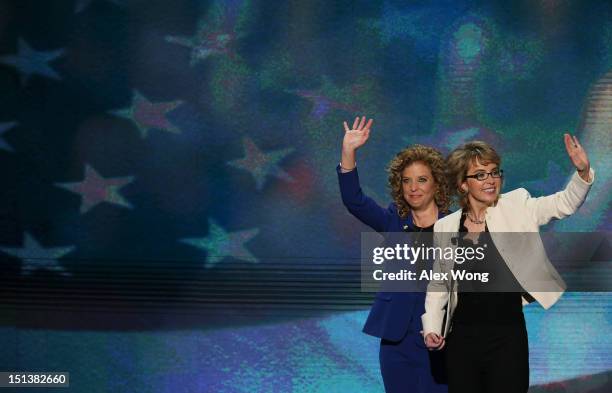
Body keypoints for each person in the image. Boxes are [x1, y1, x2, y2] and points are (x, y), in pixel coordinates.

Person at [422, 135, 595, 393]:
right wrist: (431, 328)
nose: (490, 180)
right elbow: (439, 283)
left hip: (507, 334)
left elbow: (564, 204)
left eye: (494, 172)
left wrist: (582, 171)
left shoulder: (517, 204)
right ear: (462, 185)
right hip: (462, 338)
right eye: (480, 175)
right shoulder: (446, 227)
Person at [338, 116, 449, 393]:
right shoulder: (392, 220)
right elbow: (354, 201)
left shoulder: (457, 226)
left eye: (422, 180)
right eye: (407, 181)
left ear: (436, 184)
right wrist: (348, 152)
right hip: (397, 341)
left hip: (442, 338)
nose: (413, 187)